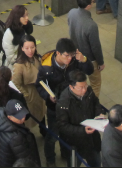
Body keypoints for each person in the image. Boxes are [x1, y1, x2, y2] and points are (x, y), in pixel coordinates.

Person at [36, 38, 94, 166]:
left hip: (71, 106)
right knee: (52, 136)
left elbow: (90, 70)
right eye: (67, 55)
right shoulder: (46, 67)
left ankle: (65, 152)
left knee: (66, 133)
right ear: (58, 53)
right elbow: (39, 85)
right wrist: (47, 96)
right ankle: (50, 159)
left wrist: (83, 59)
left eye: (72, 55)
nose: (69, 59)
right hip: (54, 108)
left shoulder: (74, 61)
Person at [56, 70, 105, 167]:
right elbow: (62, 126)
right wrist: (82, 131)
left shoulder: (89, 91)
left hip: (92, 141)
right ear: (71, 86)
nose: (84, 90)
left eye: (85, 86)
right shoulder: (63, 103)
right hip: (75, 144)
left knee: (96, 164)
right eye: (81, 88)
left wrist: (99, 114)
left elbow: (96, 103)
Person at [68, 0, 105, 97]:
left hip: (75, 54)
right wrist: (101, 62)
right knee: (95, 84)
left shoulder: (71, 13)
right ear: (89, 5)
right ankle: (91, 104)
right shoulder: (91, 25)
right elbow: (95, 47)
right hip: (89, 59)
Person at [0, 99, 40, 168]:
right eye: (19, 117)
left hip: (2, 161)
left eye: (23, 114)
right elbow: (26, 159)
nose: (23, 118)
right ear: (9, 117)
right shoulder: (16, 137)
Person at [12, 35, 46, 129]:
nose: (30, 51)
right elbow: (16, 83)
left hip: (39, 93)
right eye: (26, 48)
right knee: (31, 119)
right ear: (22, 48)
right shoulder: (19, 65)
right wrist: (26, 95)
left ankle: (43, 130)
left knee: (42, 114)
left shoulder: (36, 58)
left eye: (32, 47)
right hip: (30, 95)